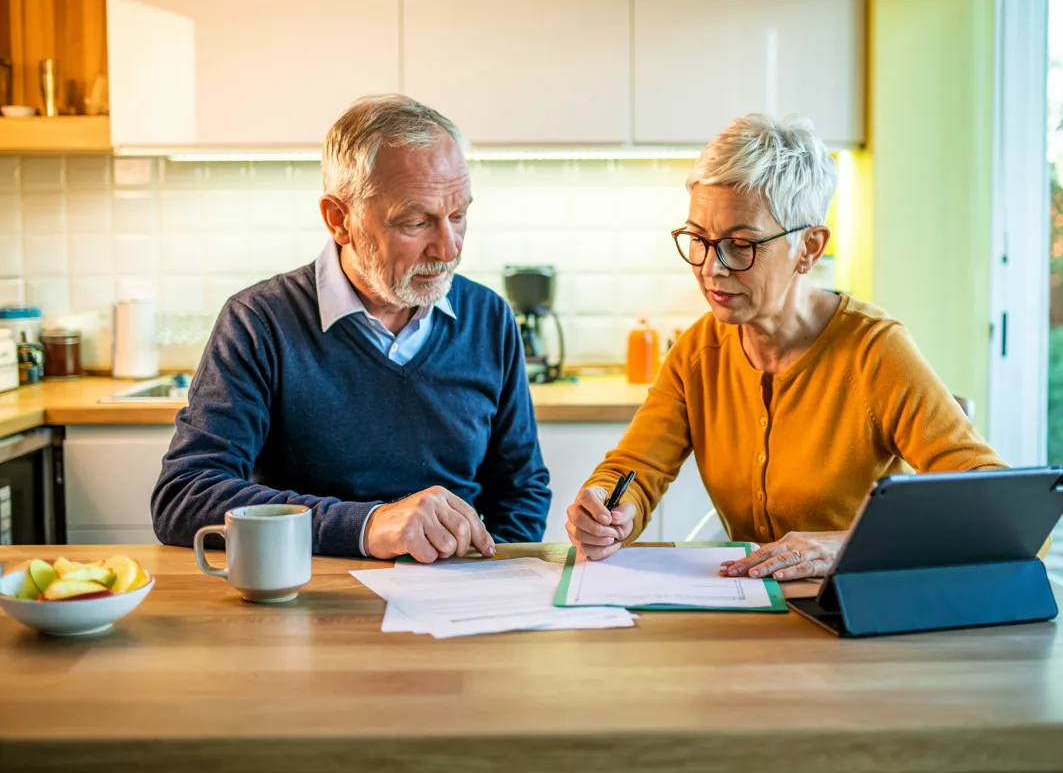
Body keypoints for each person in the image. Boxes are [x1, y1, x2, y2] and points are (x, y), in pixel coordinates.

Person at [565, 113, 1006, 581]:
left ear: (810, 248)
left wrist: (844, 547)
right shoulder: (698, 351)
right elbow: (635, 468)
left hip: (856, 621)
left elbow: (1006, 519)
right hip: (757, 614)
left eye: (740, 244)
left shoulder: (874, 350)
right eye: (698, 239)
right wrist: (607, 511)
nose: (712, 268)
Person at [153, 95, 551, 561]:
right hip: (309, 600)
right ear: (339, 219)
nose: (448, 249)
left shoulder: (489, 318)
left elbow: (521, 489)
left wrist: (487, 572)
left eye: (459, 215)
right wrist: (366, 526)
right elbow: (184, 496)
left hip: (453, 603)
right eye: (416, 221)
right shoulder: (259, 323)